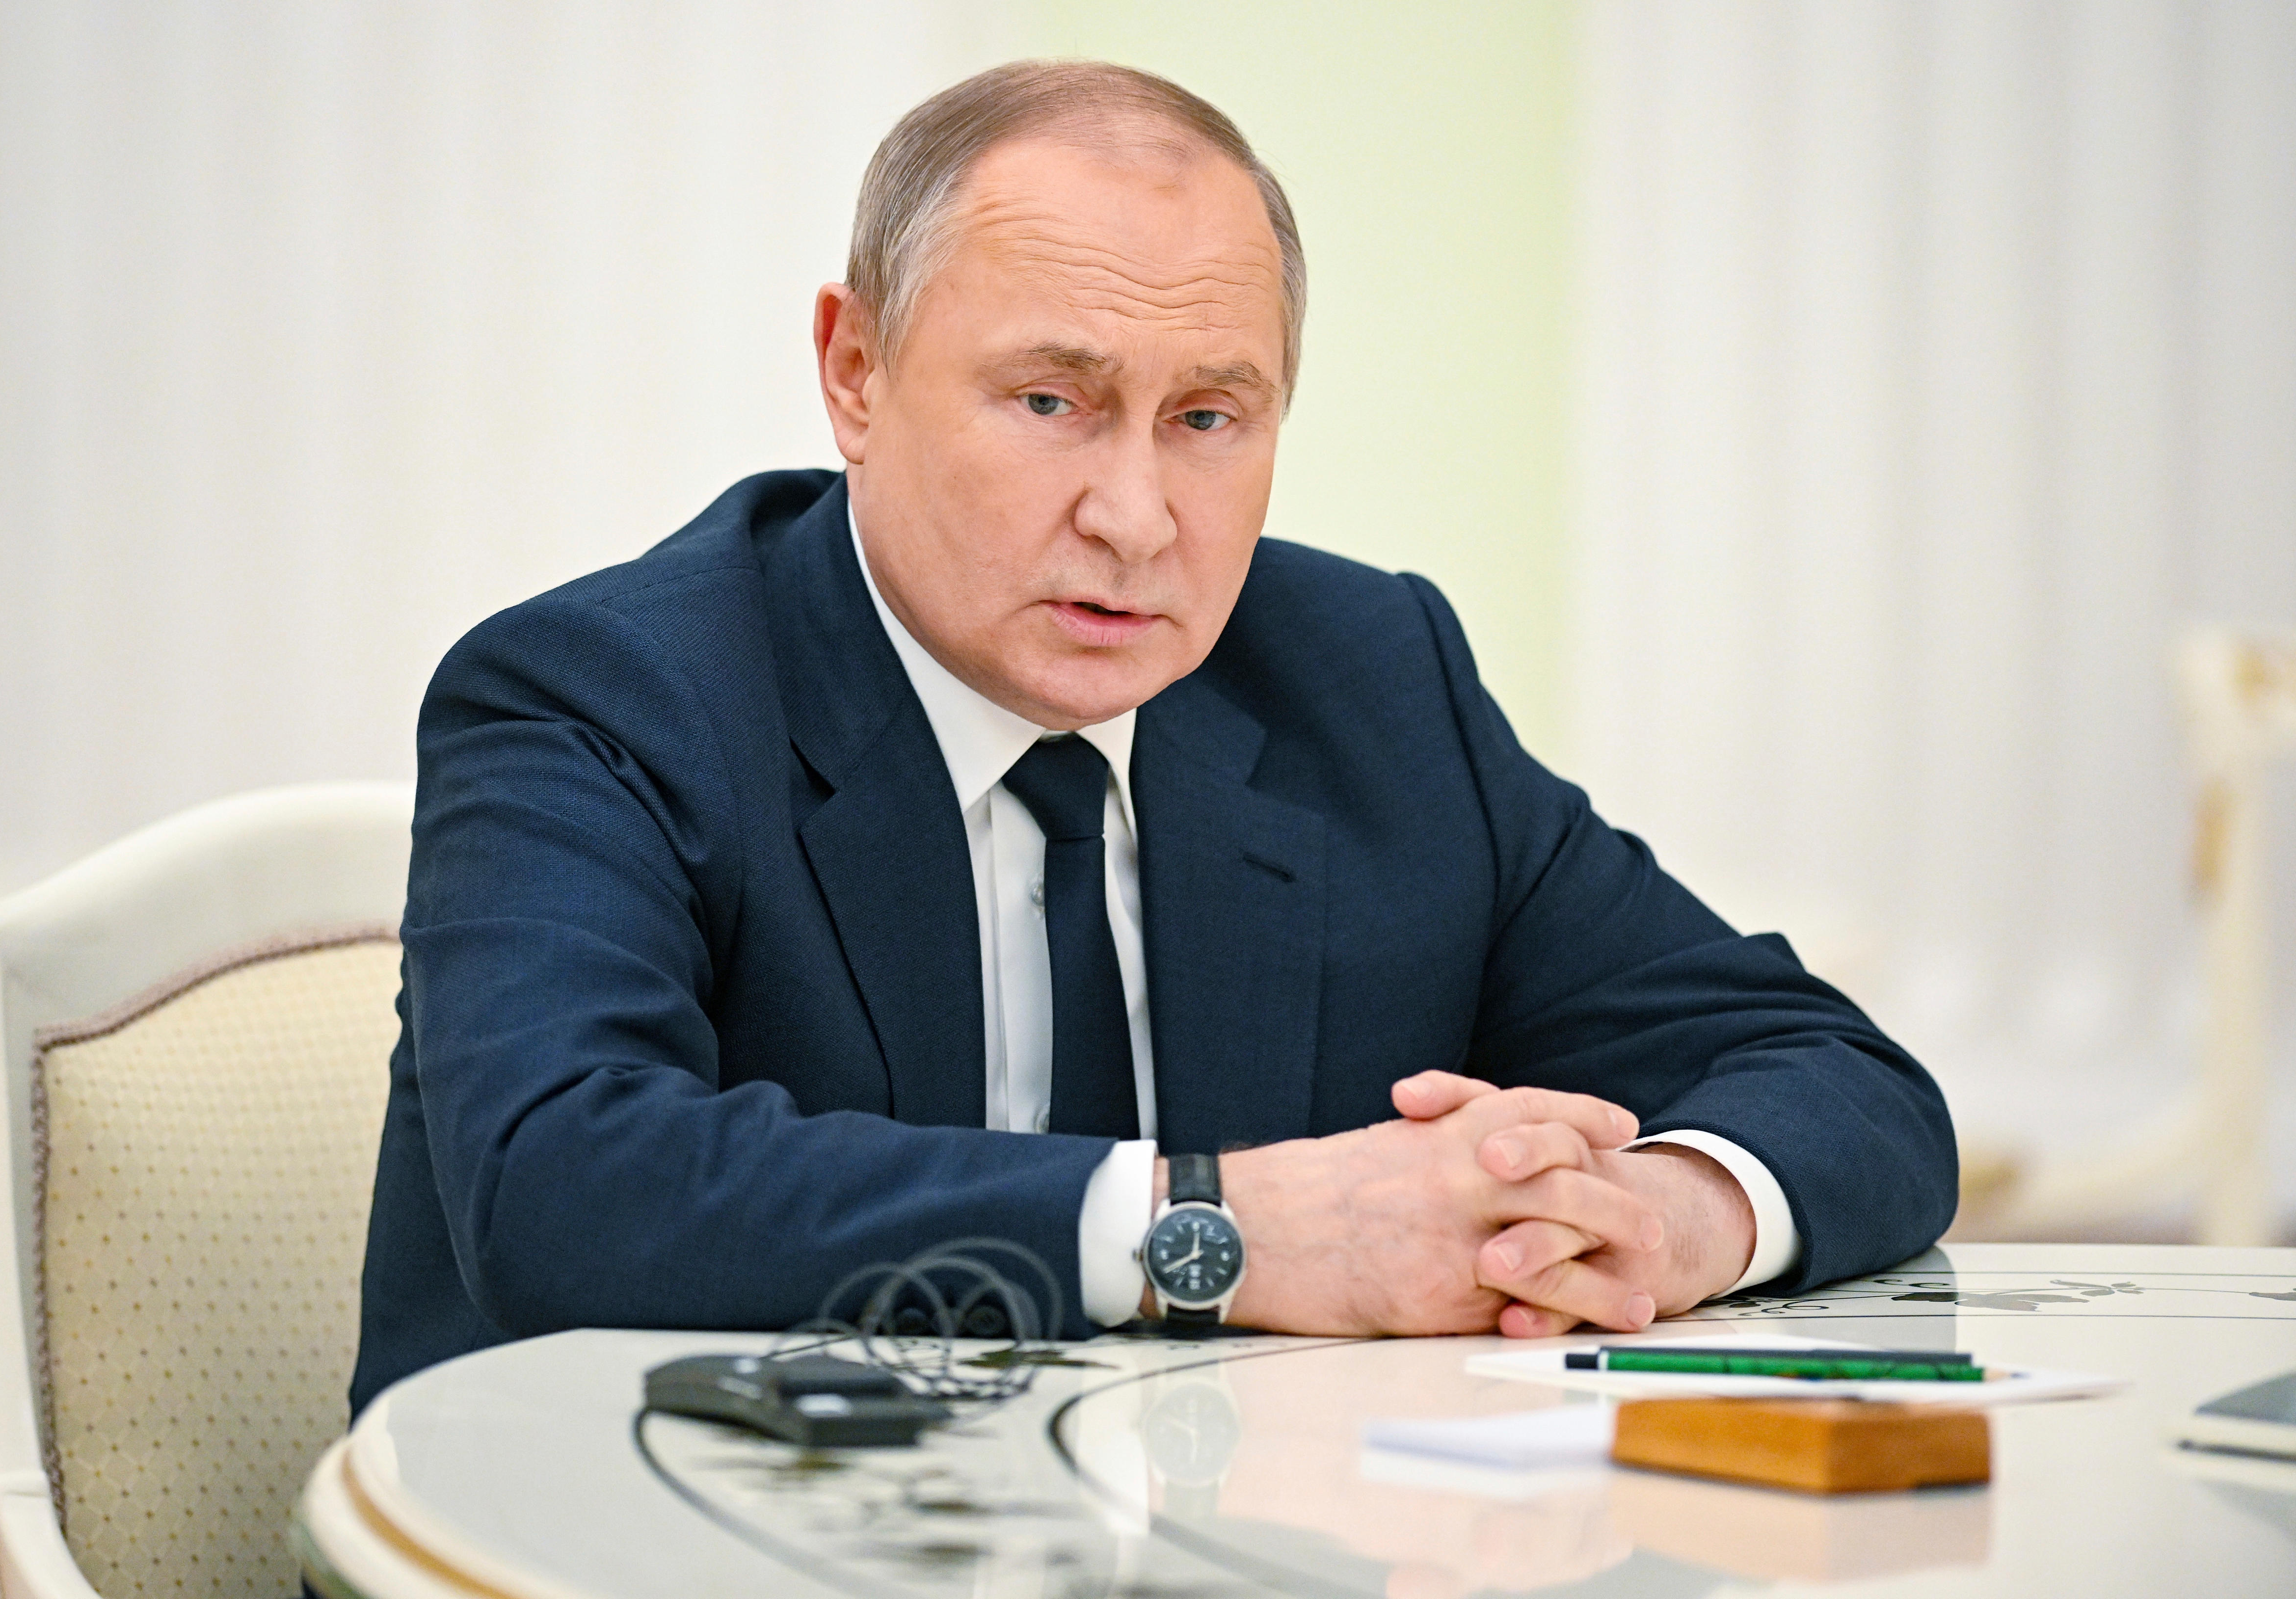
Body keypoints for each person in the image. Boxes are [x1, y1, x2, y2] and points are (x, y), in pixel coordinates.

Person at [350, 60, 1955, 1412]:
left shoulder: (1370, 675)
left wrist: (1655, 1215)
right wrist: (1229, 1226)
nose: (1134, 517)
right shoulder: (598, 691)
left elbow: (1842, 1080)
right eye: (1051, 400)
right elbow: (566, 1183)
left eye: (1209, 418)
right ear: (854, 369)